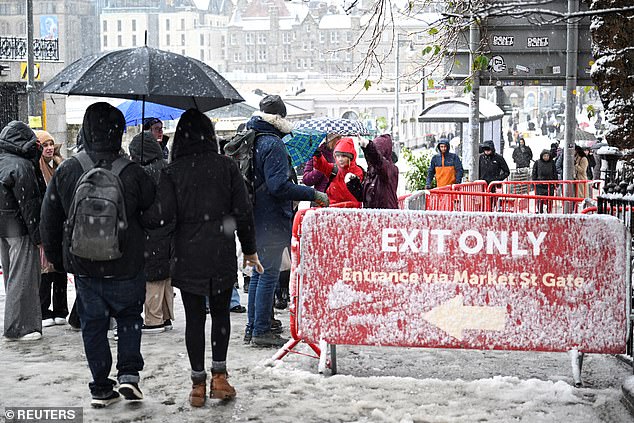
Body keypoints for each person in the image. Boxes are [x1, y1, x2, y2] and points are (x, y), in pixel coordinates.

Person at [40, 102, 157, 408]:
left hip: (84, 264)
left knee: (93, 325)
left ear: (87, 130)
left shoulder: (68, 169)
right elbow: (155, 216)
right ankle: (129, 375)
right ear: (119, 131)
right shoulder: (132, 171)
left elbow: (49, 217)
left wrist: (57, 257)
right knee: (130, 317)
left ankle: (101, 388)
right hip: (127, 262)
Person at [149, 108, 263, 405]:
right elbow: (243, 212)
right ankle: (220, 378)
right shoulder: (226, 167)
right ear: (210, 136)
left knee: (195, 318)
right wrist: (249, 249)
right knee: (221, 314)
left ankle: (197, 385)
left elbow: (162, 218)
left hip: (187, 253)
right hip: (220, 250)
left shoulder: (172, 173)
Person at [245, 94, 328, 348]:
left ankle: (252, 327)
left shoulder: (254, 138)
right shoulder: (273, 144)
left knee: (259, 273)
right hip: (271, 217)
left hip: (255, 215)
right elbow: (278, 186)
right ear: (279, 119)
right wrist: (311, 193)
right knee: (268, 273)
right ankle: (260, 330)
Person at [0, 121, 45, 342]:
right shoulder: (22, 167)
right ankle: (20, 326)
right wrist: (38, 236)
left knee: (11, 275)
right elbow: (30, 205)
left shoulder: (3, 161)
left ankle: (15, 319)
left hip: (4, 227)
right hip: (20, 227)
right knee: (24, 276)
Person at [128, 131, 175, 334]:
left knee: (153, 275)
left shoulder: (143, 173)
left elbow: (140, 204)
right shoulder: (167, 168)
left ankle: (153, 319)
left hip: (149, 230)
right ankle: (165, 316)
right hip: (169, 228)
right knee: (165, 275)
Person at [36, 130, 68, 328]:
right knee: (46, 269)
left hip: (62, 224)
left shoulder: (60, 164)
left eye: (51, 144)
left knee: (61, 268)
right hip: (46, 223)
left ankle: (61, 309)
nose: (49, 148)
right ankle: (44, 310)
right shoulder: (36, 168)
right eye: (45, 145)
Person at [313, 136, 364, 207]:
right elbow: (321, 165)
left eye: (343, 156)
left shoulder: (358, 172)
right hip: (332, 212)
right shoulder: (333, 169)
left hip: (352, 213)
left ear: (351, 157)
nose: (340, 159)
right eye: (338, 156)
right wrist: (318, 156)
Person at [355, 134, 399, 209]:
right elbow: (364, 197)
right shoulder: (371, 171)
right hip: (373, 216)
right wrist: (353, 184)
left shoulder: (390, 169)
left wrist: (368, 147)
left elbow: (378, 161)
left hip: (386, 216)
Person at [302, 133, 340, 198]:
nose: (340, 141)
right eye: (338, 138)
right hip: (320, 198)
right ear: (331, 140)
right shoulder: (317, 153)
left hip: (338, 198)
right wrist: (322, 168)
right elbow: (306, 180)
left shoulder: (345, 155)